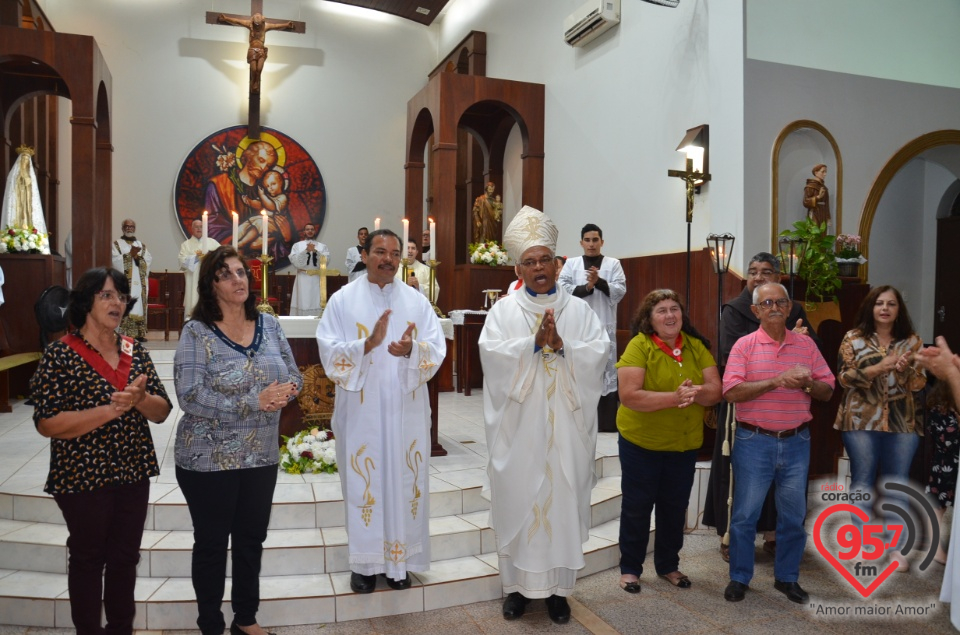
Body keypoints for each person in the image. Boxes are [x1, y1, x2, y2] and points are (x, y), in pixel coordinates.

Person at [478, 205, 610, 624]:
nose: (539, 268)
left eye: (544, 260)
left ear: (558, 264)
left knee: (561, 505)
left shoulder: (579, 311)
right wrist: (531, 346)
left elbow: (597, 355)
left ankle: (558, 592)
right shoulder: (504, 311)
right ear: (519, 267)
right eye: (529, 262)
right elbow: (492, 359)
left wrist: (564, 347)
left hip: (566, 432)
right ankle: (515, 589)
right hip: (520, 432)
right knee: (520, 499)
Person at [31, 267, 172, 634]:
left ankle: (121, 628)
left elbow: (162, 411)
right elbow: (47, 422)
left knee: (125, 558)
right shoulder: (60, 355)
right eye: (106, 295)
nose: (117, 303)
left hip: (132, 470)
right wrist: (111, 409)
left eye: (122, 297)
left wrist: (140, 400)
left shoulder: (134, 350)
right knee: (89, 558)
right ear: (86, 302)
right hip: (82, 474)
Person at [174, 246, 302, 635]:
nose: (238, 279)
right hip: (208, 458)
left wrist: (287, 391)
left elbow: (294, 374)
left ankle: (245, 619)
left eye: (242, 272)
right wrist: (254, 401)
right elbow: (190, 395)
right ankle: (210, 623)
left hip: (261, 454)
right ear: (210, 285)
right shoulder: (196, 332)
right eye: (227, 274)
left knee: (251, 540)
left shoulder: (270, 324)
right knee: (212, 544)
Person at [316, 229, 446, 594]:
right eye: (379, 252)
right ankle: (365, 564)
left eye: (394, 253)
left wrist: (412, 351)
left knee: (406, 481)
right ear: (364, 254)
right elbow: (328, 351)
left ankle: (399, 563)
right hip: (363, 412)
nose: (387, 259)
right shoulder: (343, 300)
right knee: (364, 482)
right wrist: (367, 345)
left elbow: (436, 348)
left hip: (406, 409)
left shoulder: (417, 301)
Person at [722, 282, 834, 604]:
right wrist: (776, 381)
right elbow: (731, 391)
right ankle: (740, 578)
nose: (774, 307)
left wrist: (809, 384)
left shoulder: (806, 346)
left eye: (780, 302)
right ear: (755, 310)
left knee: (793, 517)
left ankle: (787, 578)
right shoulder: (744, 346)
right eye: (766, 302)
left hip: (797, 441)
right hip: (754, 441)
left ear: (789, 308)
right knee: (745, 515)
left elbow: (827, 390)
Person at [703, 252, 819, 561]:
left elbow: (814, 355)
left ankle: (774, 534)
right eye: (753, 271)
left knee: (783, 479)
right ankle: (731, 536)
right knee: (742, 478)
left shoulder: (792, 309)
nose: (758, 276)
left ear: (778, 278)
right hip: (745, 404)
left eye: (766, 271)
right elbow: (729, 354)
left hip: (787, 411)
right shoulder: (735, 310)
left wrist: (797, 340)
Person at [615, 289, 721, 594]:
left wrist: (695, 392)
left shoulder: (696, 346)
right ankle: (631, 569)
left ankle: (668, 565)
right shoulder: (639, 345)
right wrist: (675, 397)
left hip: (684, 444)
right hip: (641, 444)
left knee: (675, 508)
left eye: (674, 308)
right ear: (649, 319)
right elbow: (630, 396)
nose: (670, 315)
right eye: (661, 310)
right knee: (637, 507)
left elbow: (716, 390)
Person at [834, 285, 926, 570]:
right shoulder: (853, 338)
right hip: (860, 421)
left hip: (902, 422)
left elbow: (919, 383)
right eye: (879, 303)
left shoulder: (912, 341)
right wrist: (880, 367)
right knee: (862, 480)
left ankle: (896, 547)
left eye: (891, 304)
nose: (885, 308)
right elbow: (844, 378)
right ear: (870, 307)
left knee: (897, 483)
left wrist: (903, 370)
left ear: (899, 310)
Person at [559, 224, 627, 432]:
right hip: (578, 327)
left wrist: (599, 282)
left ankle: (605, 423)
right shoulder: (571, 264)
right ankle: (579, 420)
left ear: (602, 242)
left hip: (604, 325)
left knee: (605, 371)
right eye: (587, 240)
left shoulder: (613, 264)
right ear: (581, 243)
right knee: (580, 370)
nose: (591, 244)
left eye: (595, 240)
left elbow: (620, 290)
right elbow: (562, 289)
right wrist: (587, 287)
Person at [921, 338, 960, 630]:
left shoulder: (934, 400)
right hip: (951, 460)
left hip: (944, 458)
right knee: (940, 503)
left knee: (939, 504)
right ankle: (936, 547)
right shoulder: (944, 403)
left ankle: (936, 546)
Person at [205, 140, 278, 244]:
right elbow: (212, 226)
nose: (263, 168)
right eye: (261, 160)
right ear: (248, 156)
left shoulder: (266, 192)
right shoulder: (219, 185)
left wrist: (286, 236)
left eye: (268, 166)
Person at [215, 12, 296, 93]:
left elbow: (276, 26)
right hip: (252, 50)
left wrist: (286, 25)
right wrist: (226, 18)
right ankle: (254, 82)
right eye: (255, 24)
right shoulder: (249, 24)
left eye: (258, 24)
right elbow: (237, 21)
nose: (257, 26)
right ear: (253, 21)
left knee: (259, 69)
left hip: (261, 51)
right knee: (253, 69)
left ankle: (256, 82)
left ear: (262, 21)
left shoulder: (266, 26)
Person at [925, 378, 959, 564]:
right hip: (946, 465)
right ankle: (936, 550)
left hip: (954, 463)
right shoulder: (940, 410)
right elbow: (948, 441)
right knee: (938, 507)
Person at [112, 219, 152, 341]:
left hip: (139, 282)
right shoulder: (116, 244)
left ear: (135, 228)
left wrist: (137, 257)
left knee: (139, 304)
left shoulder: (141, 245)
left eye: (132, 226)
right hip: (125, 281)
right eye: (127, 226)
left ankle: (139, 333)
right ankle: (123, 332)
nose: (129, 228)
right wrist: (129, 256)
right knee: (125, 302)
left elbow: (148, 260)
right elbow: (115, 260)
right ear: (122, 228)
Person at [2, 145, 49, 247]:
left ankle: (30, 235)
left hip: (27, 203)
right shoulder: (13, 175)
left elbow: (34, 196)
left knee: (27, 217)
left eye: (27, 160)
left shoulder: (31, 177)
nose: (25, 162)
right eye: (23, 160)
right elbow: (11, 192)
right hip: (18, 202)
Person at [179, 219, 221, 318]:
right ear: (192, 229)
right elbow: (182, 261)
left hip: (209, 279)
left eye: (201, 226)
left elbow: (221, 258)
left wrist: (208, 258)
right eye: (196, 227)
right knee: (193, 300)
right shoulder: (186, 245)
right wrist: (196, 258)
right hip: (193, 280)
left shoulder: (213, 243)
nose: (199, 229)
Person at [288, 222, 331, 315]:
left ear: (315, 231)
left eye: (312, 229)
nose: (310, 231)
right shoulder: (297, 246)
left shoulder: (322, 246)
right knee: (303, 301)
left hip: (316, 278)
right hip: (302, 278)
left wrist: (315, 251)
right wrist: (306, 251)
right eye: (307, 229)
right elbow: (296, 263)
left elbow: (325, 262)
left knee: (316, 300)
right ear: (304, 232)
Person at [394, 239, 439, 303]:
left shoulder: (426, 269)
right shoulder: (394, 268)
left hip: (419, 306)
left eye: (413, 248)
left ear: (417, 252)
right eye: (407, 248)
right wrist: (405, 285)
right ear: (402, 251)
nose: (410, 251)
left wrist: (419, 287)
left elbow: (435, 289)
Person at [802, 164, 831, 229]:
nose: (825, 174)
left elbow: (826, 204)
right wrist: (818, 197)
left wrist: (828, 217)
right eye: (823, 172)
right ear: (816, 172)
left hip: (823, 213)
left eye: (826, 172)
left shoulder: (824, 187)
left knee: (823, 234)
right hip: (815, 212)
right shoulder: (810, 186)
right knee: (815, 232)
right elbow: (805, 201)